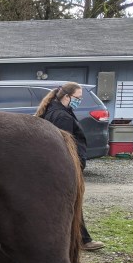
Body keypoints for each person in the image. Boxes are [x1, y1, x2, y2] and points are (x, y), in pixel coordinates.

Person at [35, 82, 105, 251]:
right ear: (67, 96)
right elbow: (65, 145)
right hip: (65, 166)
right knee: (71, 202)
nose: (79, 101)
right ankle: (82, 240)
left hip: (56, 166)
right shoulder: (62, 117)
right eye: (77, 98)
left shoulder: (55, 110)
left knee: (65, 203)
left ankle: (79, 239)